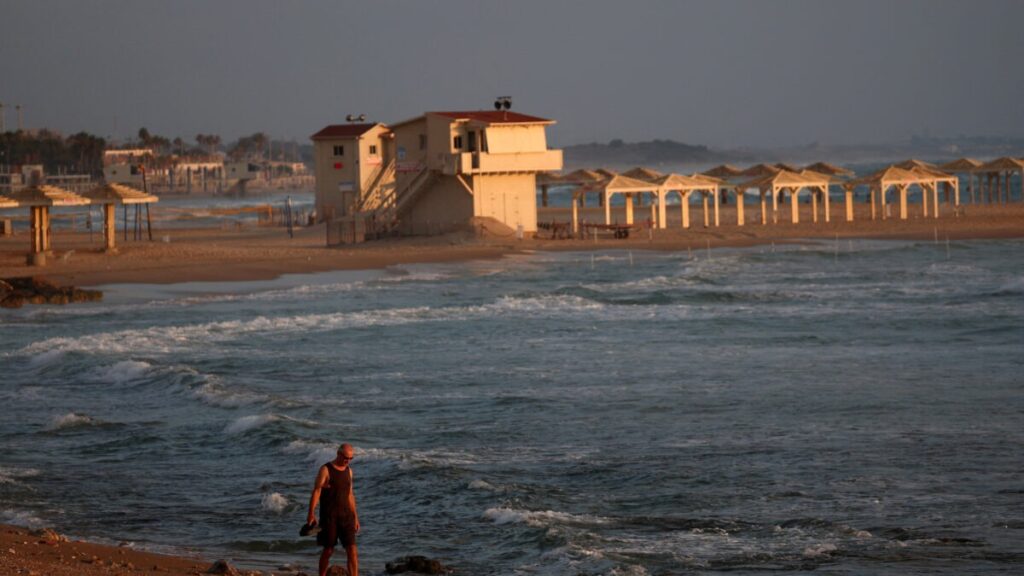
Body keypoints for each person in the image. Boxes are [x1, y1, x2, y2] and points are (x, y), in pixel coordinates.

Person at [307, 443, 360, 576]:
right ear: (338, 454)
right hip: (329, 517)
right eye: (346, 457)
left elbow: (350, 495)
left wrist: (355, 517)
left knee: (352, 550)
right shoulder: (326, 469)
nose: (347, 461)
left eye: (350, 458)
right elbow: (317, 491)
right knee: (328, 550)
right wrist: (311, 514)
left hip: (346, 517)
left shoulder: (349, 471)